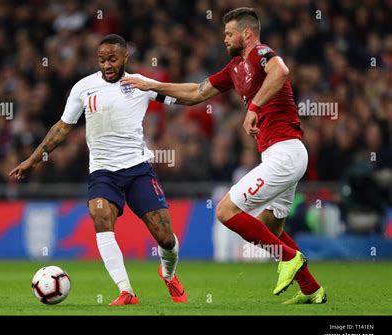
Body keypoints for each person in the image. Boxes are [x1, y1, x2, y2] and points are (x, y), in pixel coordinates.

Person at [121, 8, 326, 304]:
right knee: (270, 228)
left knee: (225, 211)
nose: (225, 39)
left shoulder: (259, 52)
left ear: (247, 33)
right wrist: (152, 87)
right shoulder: (234, 68)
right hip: (278, 155)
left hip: (286, 152)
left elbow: (281, 71)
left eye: (229, 34)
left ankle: (290, 259)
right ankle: (311, 288)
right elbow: (196, 92)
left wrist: (253, 108)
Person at [10, 34, 187, 306]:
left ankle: (168, 273)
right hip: (103, 172)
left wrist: (211, 88)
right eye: (102, 59)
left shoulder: (140, 84)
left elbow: (186, 97)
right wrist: (33, 159)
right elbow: (62, 128)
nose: (107, 65)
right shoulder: (83, 88)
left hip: (138, 169)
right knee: (100, 217)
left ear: (125, 57)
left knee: (165, 238)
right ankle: (126, 291)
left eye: (113, 59)